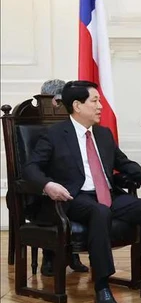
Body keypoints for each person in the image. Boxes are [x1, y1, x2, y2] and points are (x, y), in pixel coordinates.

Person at [24, 80, 141, 303]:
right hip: (74, 197)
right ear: (77, 105)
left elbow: (124, 163)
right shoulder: (55, 134)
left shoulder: (103, 133)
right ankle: (102, 286)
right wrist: (48, 185)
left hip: (107, 194)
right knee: (99, 211)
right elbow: (31, 168)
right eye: (95, 101)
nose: (100, 106)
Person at [38, 79, 89, 276]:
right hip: (42, 186)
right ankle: (49, 256)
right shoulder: (40, 125)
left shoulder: (76, 123)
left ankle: (73, 253)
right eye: (57, 101)